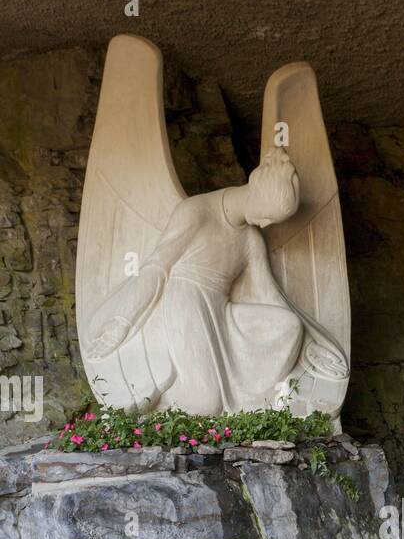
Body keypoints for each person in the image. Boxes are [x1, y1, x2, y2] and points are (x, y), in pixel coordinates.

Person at [87, 147, 346, 414]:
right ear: (254, 192)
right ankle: (148, 397)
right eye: (268, 214)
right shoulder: (196, 211)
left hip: (221, 312)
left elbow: (271, 297)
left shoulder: (251, 239)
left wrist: (315, 343)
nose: (267, 223)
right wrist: (122, 321)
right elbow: (156, 268)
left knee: (288, 325)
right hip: (183, 303)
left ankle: (251, 405)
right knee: (204, 405)